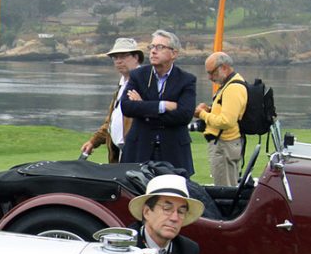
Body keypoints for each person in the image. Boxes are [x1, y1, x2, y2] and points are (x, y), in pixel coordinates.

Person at [119, 29, 197, 175]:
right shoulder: (138, 75)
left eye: (160, 47)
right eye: (152, 47)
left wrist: (143, 107)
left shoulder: (186, 80)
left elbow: (184, 115)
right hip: (139, 149)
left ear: (174, 53)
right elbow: (127, 107)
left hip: (173, 151)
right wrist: (162, 106)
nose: (153, 51)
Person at [80, 37, 143, 162]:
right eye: (115, 58)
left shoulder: (146, 83)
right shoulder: (122, 85)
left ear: (136, 57)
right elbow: (112, 121)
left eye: (123, 56)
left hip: (137, 154)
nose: (119, 61)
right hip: (118, 154)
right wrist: (93, 141)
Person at [127, 173, 201, 254]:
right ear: (147, 212)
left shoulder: (188, 251)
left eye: (181, 211)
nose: (174, 218)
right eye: (167, 209)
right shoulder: (127, 248)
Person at [194, 51, 247, 187]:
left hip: (225, 146)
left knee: (225, 190)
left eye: (212, 73)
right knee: (228, 187)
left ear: (224, 67)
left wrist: (202, 114)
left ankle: (227, 209)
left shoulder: (233, 88)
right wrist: (210, 110)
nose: (210, 77)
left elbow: (226, 121)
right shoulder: (229, 85)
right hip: (226, 145)